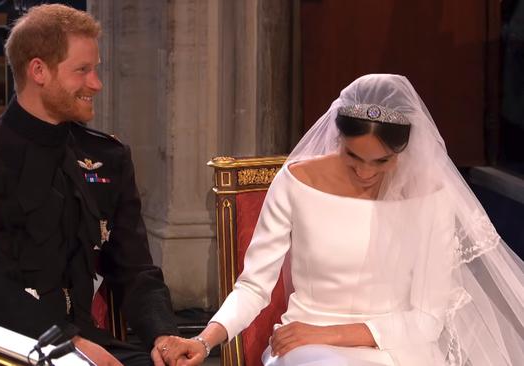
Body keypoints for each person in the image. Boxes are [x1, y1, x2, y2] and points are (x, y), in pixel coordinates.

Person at [166, 74, 524, 365]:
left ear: (404, 151)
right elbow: (254, 287)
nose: (366, 172)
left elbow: (429, 319)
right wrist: (204, 339)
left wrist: (328, 333)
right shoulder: (297, 182)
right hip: (305, 349)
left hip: (401, 349)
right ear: (337, 136)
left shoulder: (432, 196)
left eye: (381, 162)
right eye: (353, 156)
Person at [0, 4, 188, 366]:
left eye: (96, 69)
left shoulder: (107, 156)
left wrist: (163, 334)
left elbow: (134, 268)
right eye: (82, 70)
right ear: (39, 71)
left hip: (84, 343)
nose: (96, 83)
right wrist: (68, 341)